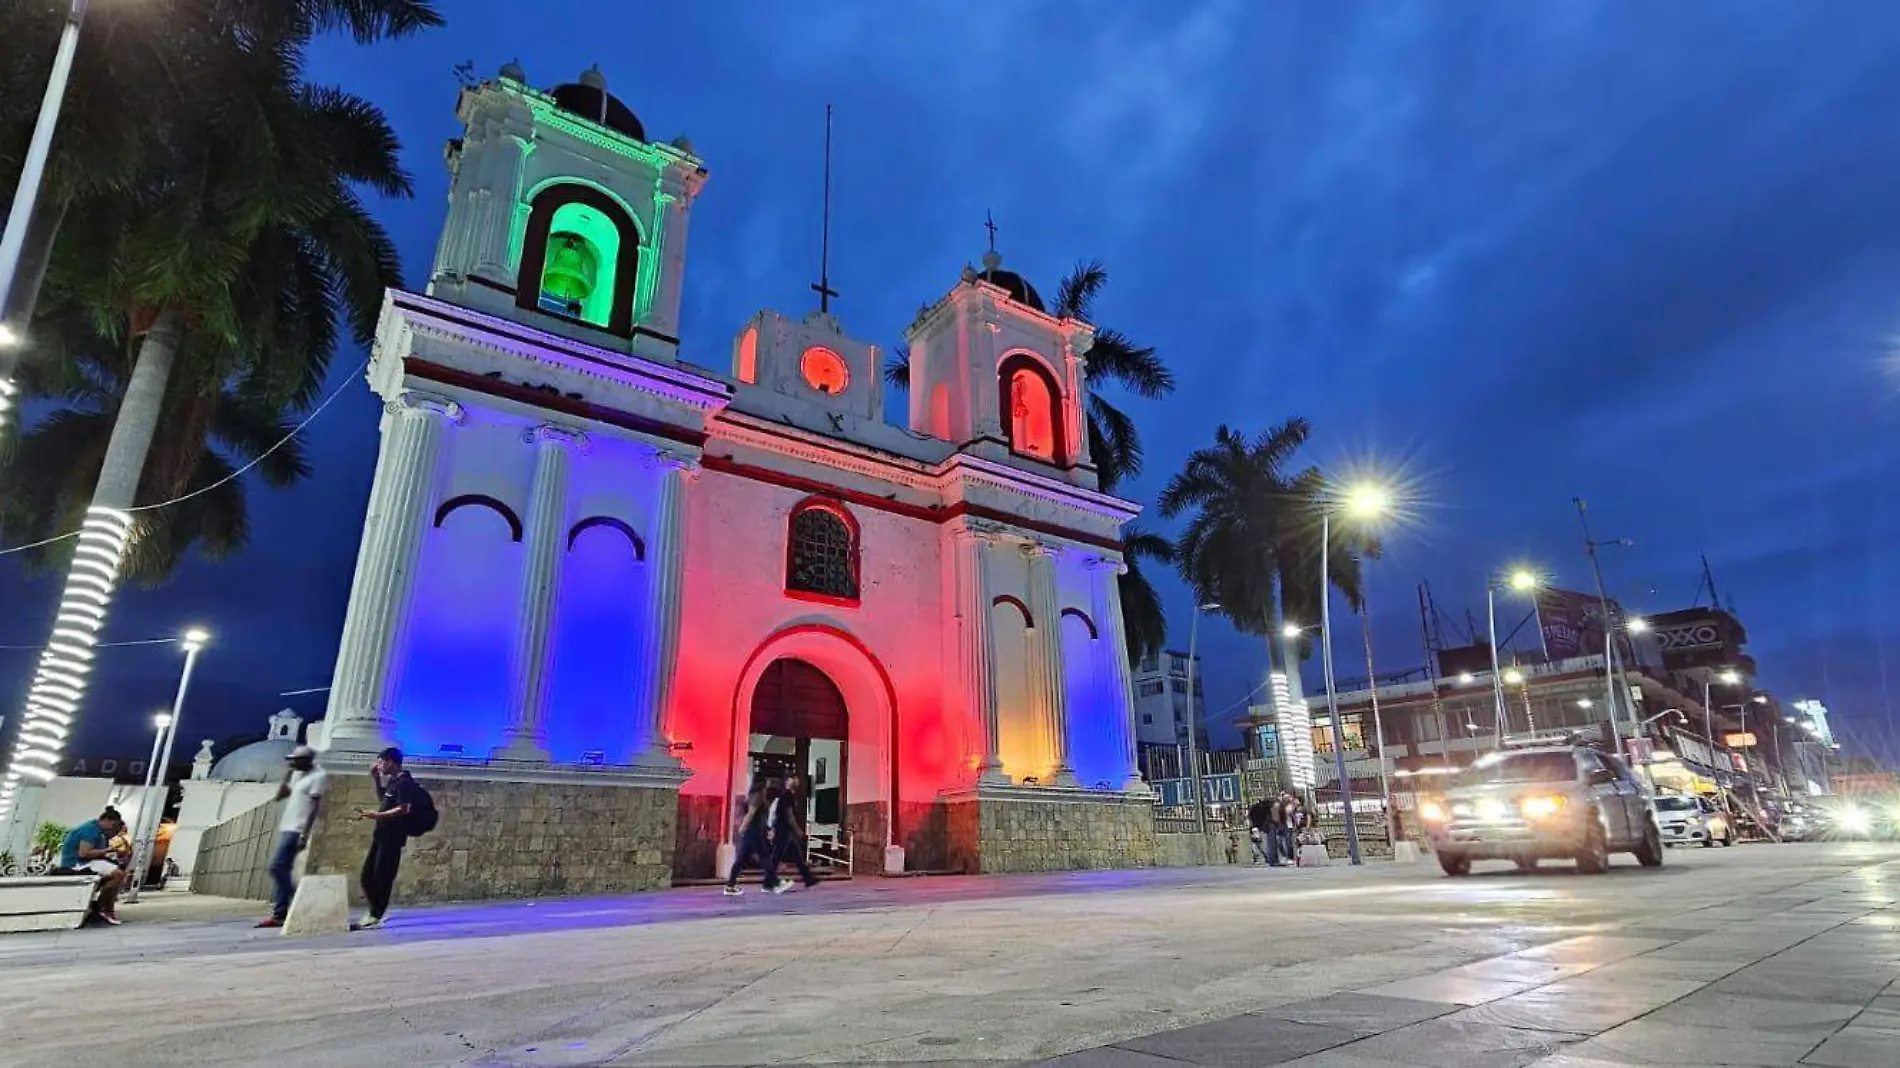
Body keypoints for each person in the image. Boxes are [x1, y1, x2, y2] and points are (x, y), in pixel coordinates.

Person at [257, 745, 326, 929]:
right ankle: (281, 912)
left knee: (277, 867)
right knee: (282, 869)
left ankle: (296, 902)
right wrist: (288, 776)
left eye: (297, 760)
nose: (293, 763)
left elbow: (314, 807)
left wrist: (305, 833)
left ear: (307, 760)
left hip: (297, 829)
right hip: (287, 827)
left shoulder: (318, 776)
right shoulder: (297, 776)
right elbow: (279, 796)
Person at [355, 747, 419, 929]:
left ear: (391, 762)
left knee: (382, 877)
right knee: (367, 876)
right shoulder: (393, 781)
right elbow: (384, 799)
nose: (378, 765)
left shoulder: (405, 782)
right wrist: (376, 779)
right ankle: (374, 911)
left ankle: (375, 915)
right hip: (381, 835)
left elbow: (404, 808)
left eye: (381, 761)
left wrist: (376, 816)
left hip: (392, 837)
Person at [53, 807, 129, 925]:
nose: (113, 831)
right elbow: (84, 853)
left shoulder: (98, 831)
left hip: (85, 862)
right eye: (113, 826)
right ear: (107, 820)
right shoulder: (90, 830)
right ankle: (103, 909)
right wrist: (108, 850)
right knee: (118, 874)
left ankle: (104, 907)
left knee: (117, 872)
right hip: (76, 864)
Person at [723, 780, 780, 897]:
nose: (768, 786)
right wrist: (743, 827)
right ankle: (774, 882)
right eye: (766, 784)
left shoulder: (756, 796)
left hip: (755, 832)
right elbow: (751, 813)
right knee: (762, 856)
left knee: (744, 859)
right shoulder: (757, 796)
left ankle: (730, 885)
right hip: (754, 832)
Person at [765, 775, 820, 893]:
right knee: (776, 856)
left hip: (785, 830)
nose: (795, 780)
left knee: (796, 855)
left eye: (796, 778)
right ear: (787, 782)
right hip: (783, 830)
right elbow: (789, 815)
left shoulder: (788, 796)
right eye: (792, 778)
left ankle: (808, 878)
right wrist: (797, 830)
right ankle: (768, 882)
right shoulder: (787, 795)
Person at [1246, 795, 1279, 866]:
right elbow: (1250, 817)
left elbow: (1250, 817)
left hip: (1260, 827)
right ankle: (1260, 858)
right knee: (1257, 844)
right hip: (1257, 827)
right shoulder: (1257, 808)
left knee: (1259, 844)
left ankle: (1265, 857)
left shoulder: (1265, 808)